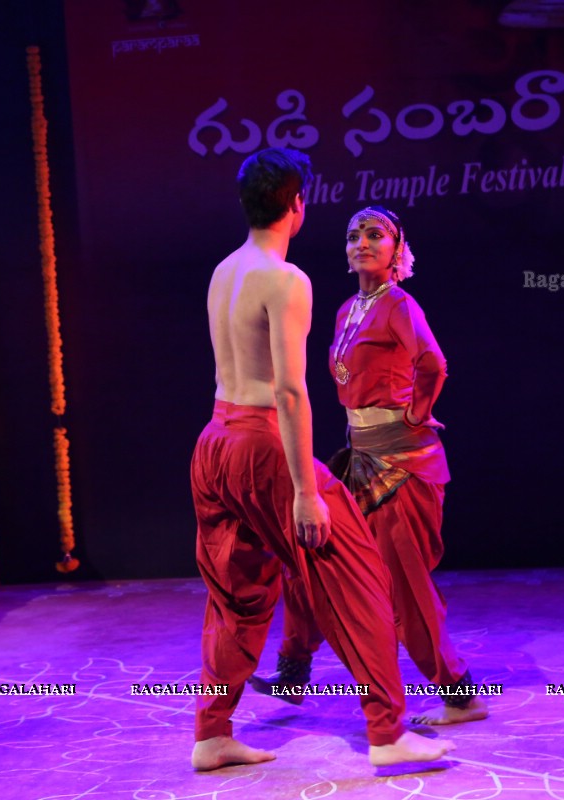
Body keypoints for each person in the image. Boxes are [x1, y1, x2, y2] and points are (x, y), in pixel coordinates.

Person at [189, 149, 454, 771]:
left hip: (213, 443)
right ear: (296, 204)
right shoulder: (287, 279)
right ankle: (387, 733)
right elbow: (287, 389)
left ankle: (211, 734)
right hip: (261, 443)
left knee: (237, 592)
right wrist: (306, 491)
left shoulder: (224, 270)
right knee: (358, 577)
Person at [250, 206, 488, 726]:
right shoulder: (345, 310)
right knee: (311, 553)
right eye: (354, 234)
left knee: (404, 582)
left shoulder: (400, 305)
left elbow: (433, 362)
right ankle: (293, 671)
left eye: (375, 235)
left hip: (403, 464)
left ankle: (461, 694)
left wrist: (418, 414)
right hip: (360, 458)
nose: (362, 242)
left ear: (396, 250)